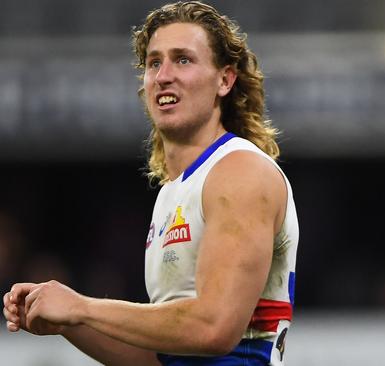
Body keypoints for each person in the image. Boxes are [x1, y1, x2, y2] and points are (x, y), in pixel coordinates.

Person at [3, 1, 299, 365]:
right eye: (154, 62)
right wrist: (69, 320)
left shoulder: (240, 172)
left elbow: (214, 327)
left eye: (183, 59)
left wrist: (83, 307)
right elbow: (159, 361)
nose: (163, 75)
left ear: (225, 79)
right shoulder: (173, 193)